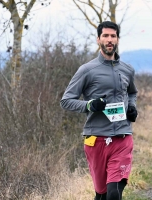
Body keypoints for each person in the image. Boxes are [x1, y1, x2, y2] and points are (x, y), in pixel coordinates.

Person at [60, 21, 138, 200]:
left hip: (122, 137)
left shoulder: (127, 70)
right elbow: (66, 101)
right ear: (98, 39)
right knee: (101, 195)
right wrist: (89, 105)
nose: (109, 40)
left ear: (117, 39)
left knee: (113, 193)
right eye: (105, 36)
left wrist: (132, 107)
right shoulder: (87, 70)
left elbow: (132, 92)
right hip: (96, 140)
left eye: (113, 36)